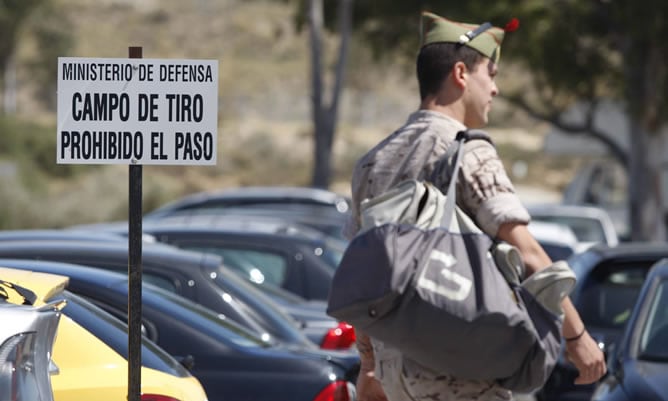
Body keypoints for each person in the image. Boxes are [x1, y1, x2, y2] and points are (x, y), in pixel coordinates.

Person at [341, 11, 607, 401]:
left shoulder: (374, 161)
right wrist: (578, 337)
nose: (495, 89)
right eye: (492, 74)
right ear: (461, 74)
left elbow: (363, 276)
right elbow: (527, 251)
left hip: (396, 375)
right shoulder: (468, 150)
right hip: (461, 371)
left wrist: (369, 365)